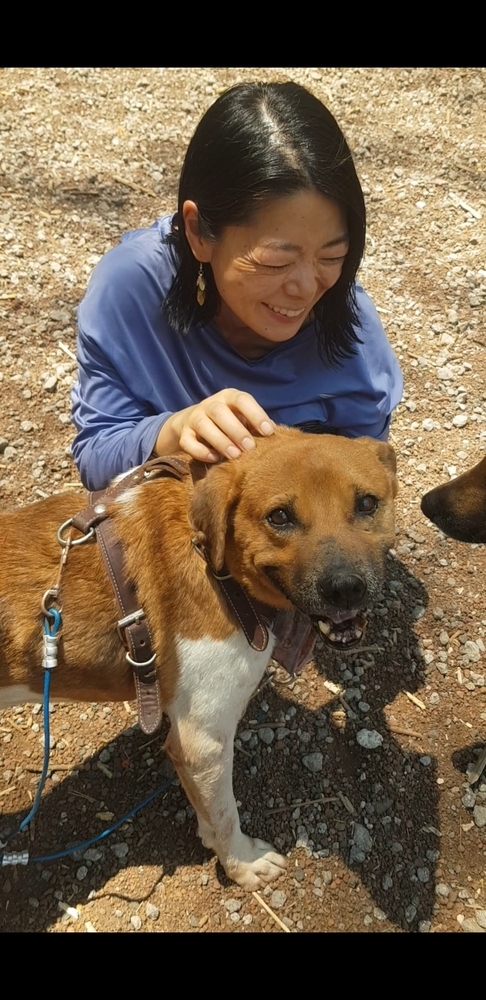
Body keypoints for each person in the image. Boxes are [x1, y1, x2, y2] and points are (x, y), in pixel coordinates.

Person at [71, 81, 403, 493]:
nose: (304, 288)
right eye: (276, 261)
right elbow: (96, 454)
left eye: (331, 257)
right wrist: (175, 430)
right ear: (198, 233)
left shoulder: (354, 337)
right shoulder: (131, 291)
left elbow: (361, 485)